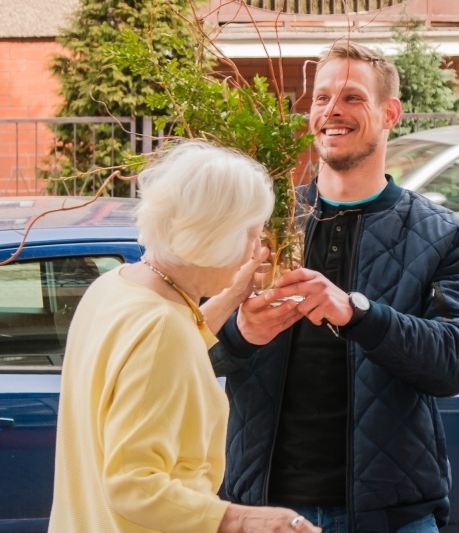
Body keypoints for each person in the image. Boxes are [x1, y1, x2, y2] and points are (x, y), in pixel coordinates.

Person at [210, 41, 459, 533]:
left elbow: (457, 364)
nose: (332, 111)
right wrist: (241, 334)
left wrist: (358, 313)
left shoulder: (444, 235)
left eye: (352, 97)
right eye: (321, 98)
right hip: (264, 511)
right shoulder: (260, 224)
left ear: (390, 112)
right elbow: (190, 349)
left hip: (393, 515)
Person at [48, 140, 321, 533]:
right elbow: (132, 484)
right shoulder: (162, 330)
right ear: (217, 235)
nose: (257, 248)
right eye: (252, 234)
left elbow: (168, 346)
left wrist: (231, 296)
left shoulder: (115, 288)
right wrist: (245, 519)